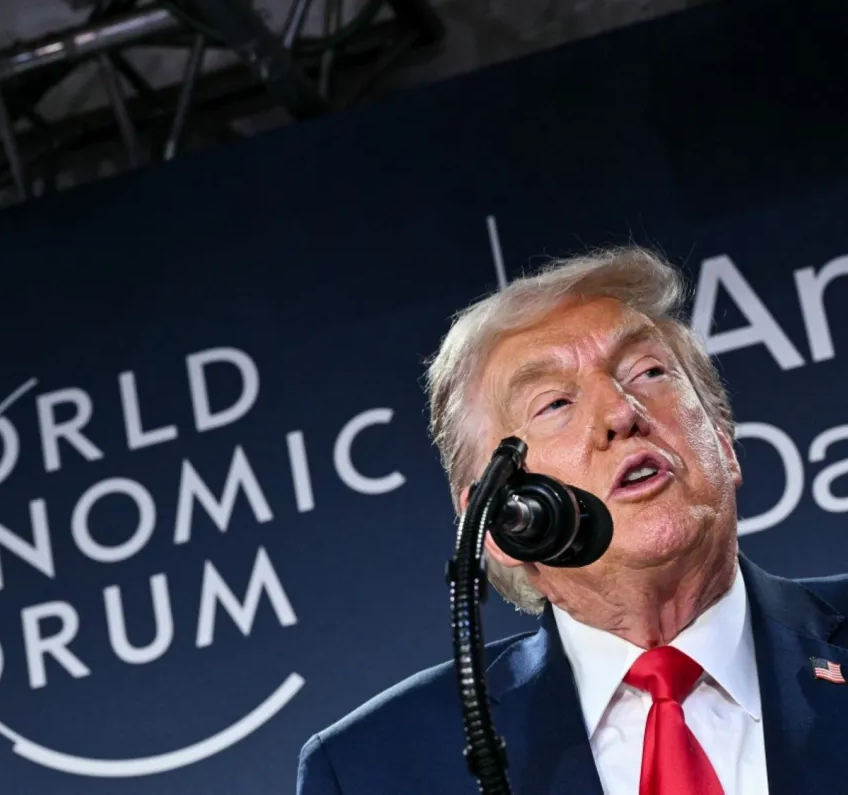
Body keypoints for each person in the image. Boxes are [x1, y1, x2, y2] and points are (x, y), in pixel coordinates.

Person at [295, 247, 848, 795]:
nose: (622, 412)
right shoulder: (375, 769)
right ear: (502, 520)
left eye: (649, 371)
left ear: (723, 444)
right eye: (555, 403)